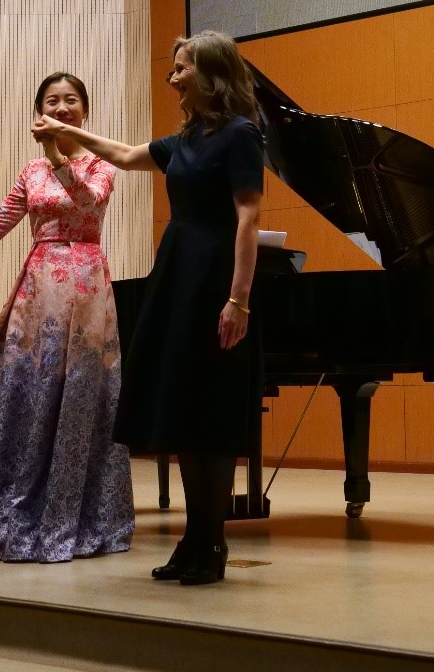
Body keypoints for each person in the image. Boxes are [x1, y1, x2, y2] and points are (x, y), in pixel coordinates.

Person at [32, 32, 263, 586]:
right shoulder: (185, 138)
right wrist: (68, 132)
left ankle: (213, 541)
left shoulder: (240, 134)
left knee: (211, 412)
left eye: (181, 68)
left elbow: (249, 217)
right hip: (177, 274)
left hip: (214, 278)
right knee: (182, 409)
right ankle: (194, 538)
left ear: (210, 73)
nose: (172, 77)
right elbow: (123, 155)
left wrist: (238, 299)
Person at [0, 73, 134, 562]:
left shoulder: (101, 163)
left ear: (85, 111)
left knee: (83, 397)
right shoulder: (30, 171)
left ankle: (83, 515)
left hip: (87, 285)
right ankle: (11, 508)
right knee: (25, 391)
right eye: (52, 101)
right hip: (38, 289)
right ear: (39, 112)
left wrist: (56, 153)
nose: (62, 108)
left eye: (71, 100)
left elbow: (89, 200)